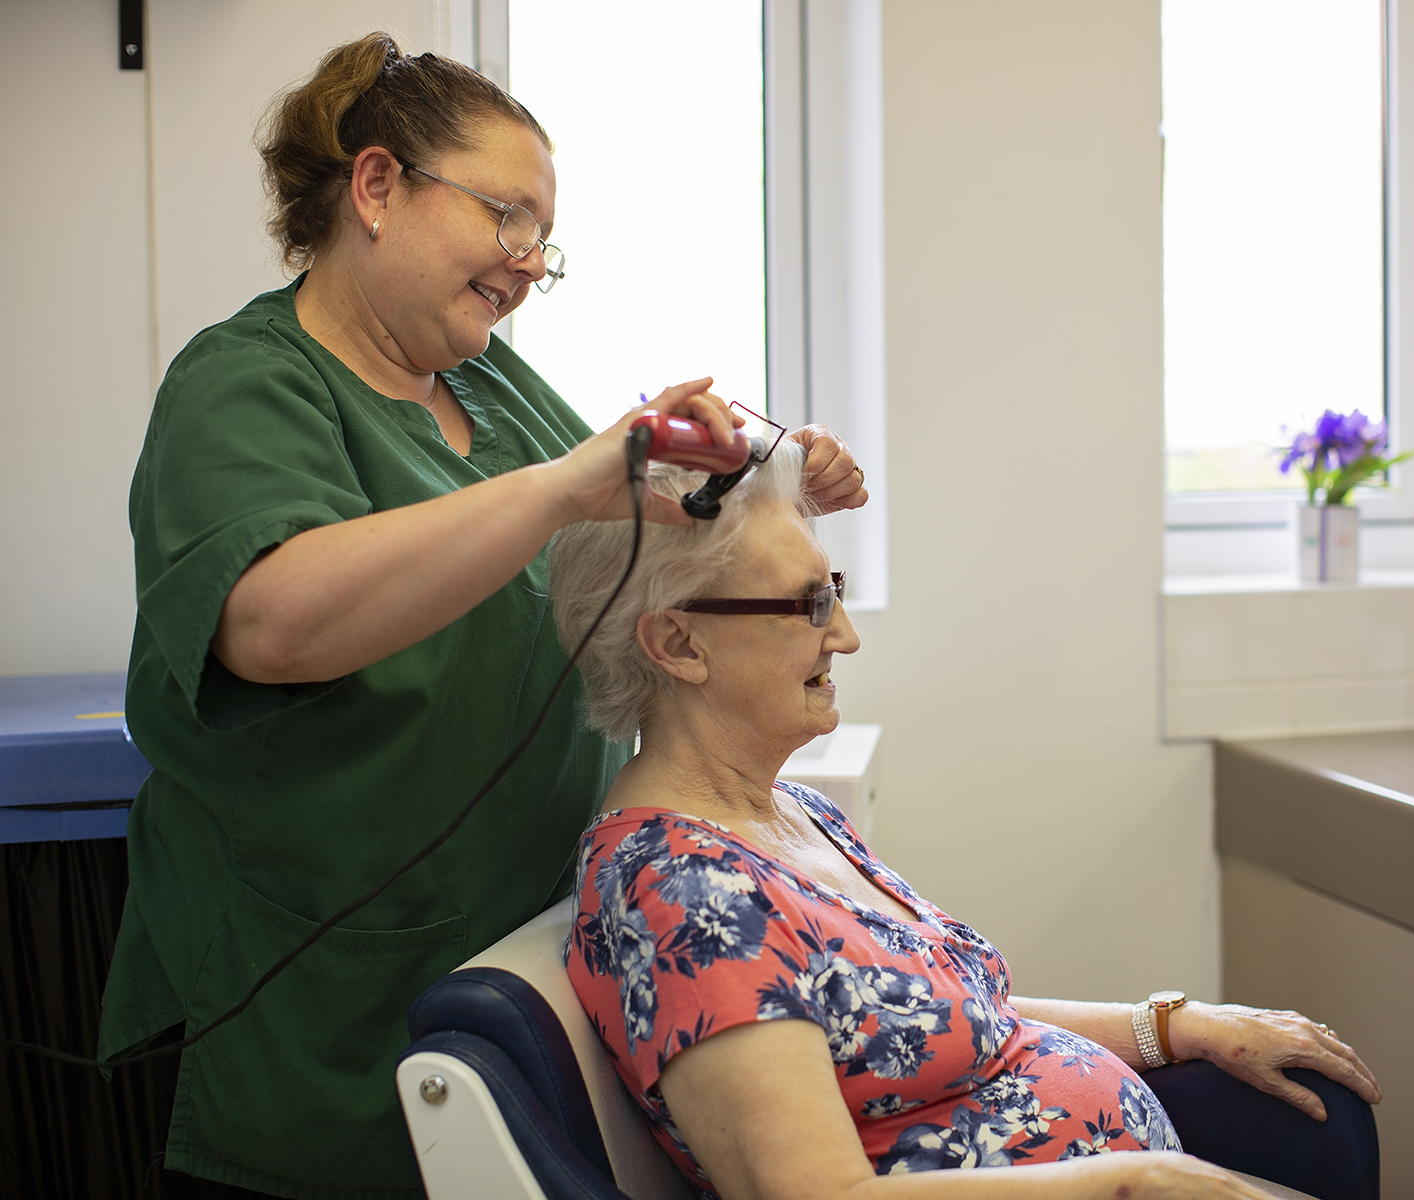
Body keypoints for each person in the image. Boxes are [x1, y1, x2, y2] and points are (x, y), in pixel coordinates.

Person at [98, 33, 865, 1200]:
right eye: (508, 219)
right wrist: (567, 484)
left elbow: (625, 529)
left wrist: (762, 476)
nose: (526, 263)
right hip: (321, 1001)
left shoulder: (488, 385)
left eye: (541, 241)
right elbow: (271, 625)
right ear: (376, 187)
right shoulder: (247, 385)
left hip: (518, 963)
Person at [551, 447, 1383, 1200]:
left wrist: (1172, 1026)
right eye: (809, 605)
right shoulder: (685, 895)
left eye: (832, 592)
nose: (845, 634)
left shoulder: (790, 814)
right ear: (678, 644)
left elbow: (944, 1020)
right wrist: (1134, 1182)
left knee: (1322, 1107)